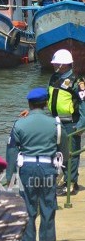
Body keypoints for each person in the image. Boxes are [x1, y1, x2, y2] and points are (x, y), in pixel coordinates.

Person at [7, 88, 68, 241]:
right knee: (48, 204)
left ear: (29, 104)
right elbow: (64, 150)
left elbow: (12, 151)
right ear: (46, 103)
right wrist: (65, 170)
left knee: (28, 205)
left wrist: (10, 175)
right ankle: (45, 240)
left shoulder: (19, 124)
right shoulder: (56, 124)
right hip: (48, 169)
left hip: (27, 169)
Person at [47, 49, 85, 196]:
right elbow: (49, 96)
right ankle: (65, 179)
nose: (54, 65)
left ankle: (71, 183)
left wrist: (81, 125)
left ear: (63, 64)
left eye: (56, 63)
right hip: (55, 122)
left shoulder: (77, 81)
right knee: (59, 153)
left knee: (71, 153)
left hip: (70, 123)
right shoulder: (54, 78)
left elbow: (83, 103)